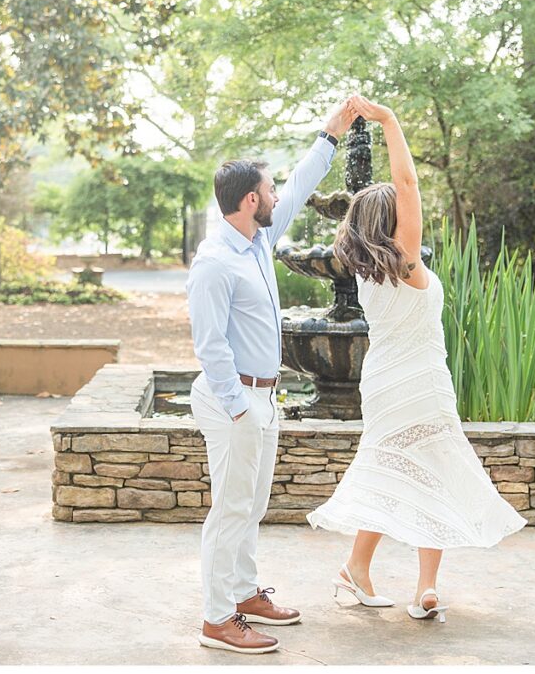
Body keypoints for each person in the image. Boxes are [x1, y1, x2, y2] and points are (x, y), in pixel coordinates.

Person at [307, 95, 527, 624]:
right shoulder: (405, 263)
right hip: (419, 381)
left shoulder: (366, 271)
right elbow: (407, 184)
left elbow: (399, 194)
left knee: (393, 466)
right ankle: (421, 584)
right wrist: (388, 120)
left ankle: (361, 571)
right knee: (432, 468)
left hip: (386, 382)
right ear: (394, 221)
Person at [186, 98, 358, 654]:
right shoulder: (214, 262)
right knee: (230, 509)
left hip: (263, 399)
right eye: (270, 189)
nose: (278, 196)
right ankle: (217, 619)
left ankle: (243, 593)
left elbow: (302, 184)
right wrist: (239, 407)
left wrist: (330, 135)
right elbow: (209, 345)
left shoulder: (257, 240)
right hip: (232, 400)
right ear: (250, 201)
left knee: (252, 506)